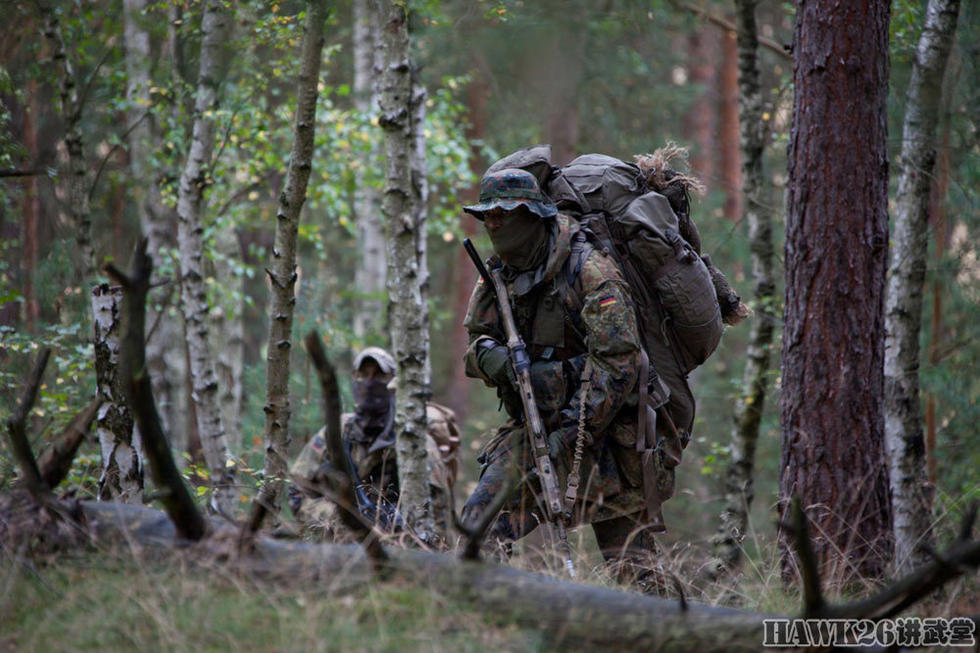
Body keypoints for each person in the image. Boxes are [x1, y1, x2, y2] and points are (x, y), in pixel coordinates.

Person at [460, 168, 685, 589]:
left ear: (531, 215)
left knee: (634, 570)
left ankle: (670, 633)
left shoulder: (591, 271)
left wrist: (572, 430)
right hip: (533, 428)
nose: (492, 225)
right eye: (486, 216)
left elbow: (620, 364)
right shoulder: (497, 274)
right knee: (480, 525)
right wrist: (497, 362)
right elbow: (476, 344)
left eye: (502, 215)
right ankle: (488, 622)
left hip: (606, 437)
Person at [288, 346, 460, 540]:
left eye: (380, 376)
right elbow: (297, 491)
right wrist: (337, 519)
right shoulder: (337, 432)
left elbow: (438, 518)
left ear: (394, 385)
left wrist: (399, 534)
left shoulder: (416, 442)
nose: (369, 383)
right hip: (338, 548)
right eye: (362, 375)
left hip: (399, 549)